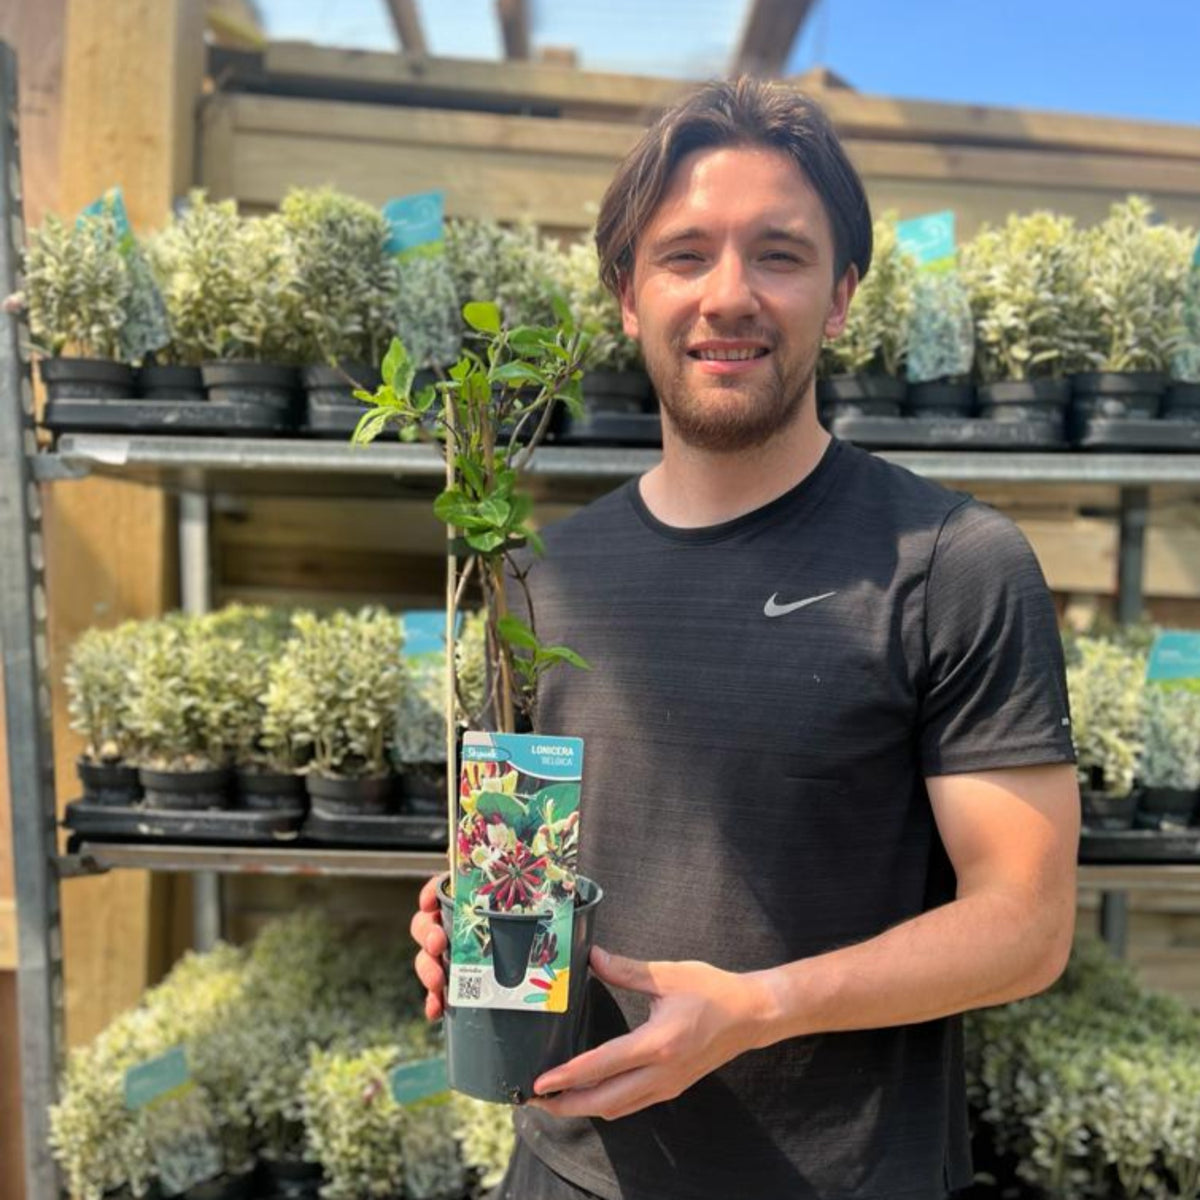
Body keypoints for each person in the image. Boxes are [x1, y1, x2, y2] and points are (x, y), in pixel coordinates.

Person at [412, 77, 1080, 1200]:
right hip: (568, 1172)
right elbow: (530, 848)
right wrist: (468, 916)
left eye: (778, 254)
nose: (729, 295)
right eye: (684, 255)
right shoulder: (542, 579)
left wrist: (759, 1008)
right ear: (628, 296)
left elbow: (1025, 925)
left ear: (842, 295)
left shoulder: (951, 563)